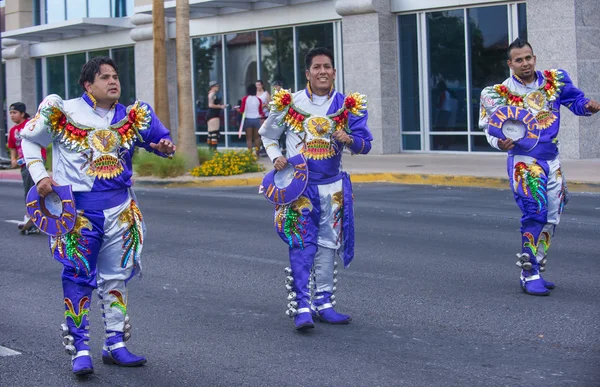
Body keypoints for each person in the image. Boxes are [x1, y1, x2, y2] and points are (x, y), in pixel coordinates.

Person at [20, 56, 176, 376]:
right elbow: (29, 140)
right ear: (88, 85)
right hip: (77, 212)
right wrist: (39, 176)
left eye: (115, 76)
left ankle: (115, 344)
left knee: (115, 278)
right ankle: (80, 349)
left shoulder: (130, 115)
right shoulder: (65, 110)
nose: (113, 81)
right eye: (104, 77)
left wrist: (164, 146)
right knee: (78, 277)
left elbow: (160, 141)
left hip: (120, 209)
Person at [259, 47, 373, 330]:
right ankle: (302, 307)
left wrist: (348, 138)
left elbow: (365, 145)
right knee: (301, 245)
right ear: (307, 73)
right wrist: (276, 158)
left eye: (328, 66)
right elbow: (268, 136)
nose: (323, 71)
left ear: (334, 72)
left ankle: (325, 303)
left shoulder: (348, 105)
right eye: (317, 67)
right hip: (299, 188)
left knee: (327, 246)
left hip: (332, 188)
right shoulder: (289, 102)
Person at [479, 38, 600, 296]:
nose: (526, 63)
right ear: (510, 63)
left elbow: (576, 102)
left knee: (554, 213)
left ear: (534, 58)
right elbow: (491, 128)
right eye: (519, 60)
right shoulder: (497, 94)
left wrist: (588, 106)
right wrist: (500, 143)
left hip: (551, 159)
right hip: (524, 160)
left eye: (529, 58)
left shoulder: (553, 82)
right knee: (535, 211)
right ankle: (529, 272)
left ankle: (536, 264)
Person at [7, 102, 47, 234]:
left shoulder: (30, 125)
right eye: (11, 113)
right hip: (23, 163)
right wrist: (13, 159)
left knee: (32, 187)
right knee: (29, 188)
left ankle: (31, 215)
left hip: (35, 160)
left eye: (15, 113)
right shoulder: (13, 131)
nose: (12, 115)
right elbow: (12, 147)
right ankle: (36, 215)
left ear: (22, 114)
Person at [239, 83, 265, 158]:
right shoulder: (258, 100)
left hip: (248, 119)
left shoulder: (245, 99)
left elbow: (242, 110)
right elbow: (260, 111)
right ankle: (257, 154)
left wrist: (238, 110)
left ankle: (250, 155)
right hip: (257, 119)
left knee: (249, 138)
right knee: (257, 138)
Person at [206, 81, 226, 151]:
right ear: (213, 87)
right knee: (214, 132)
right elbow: (210, 105)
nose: (218, 87)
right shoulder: (212, 94)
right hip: (213, 114)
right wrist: (220, 106)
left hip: (211, 114)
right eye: (216, 86)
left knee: (211, 133)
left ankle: (210, 150)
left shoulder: (211, 94)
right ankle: (214, 150)